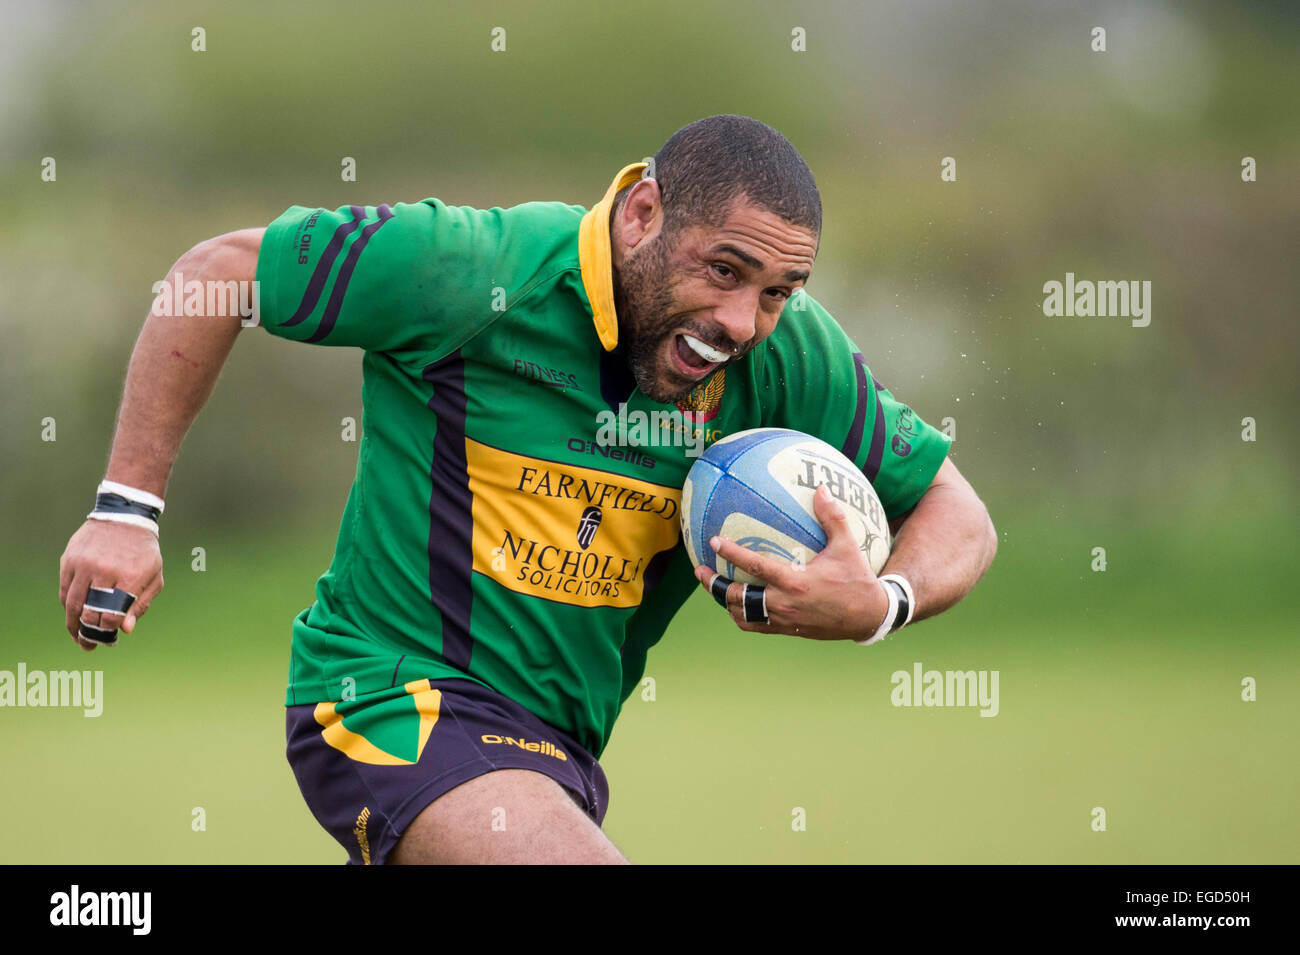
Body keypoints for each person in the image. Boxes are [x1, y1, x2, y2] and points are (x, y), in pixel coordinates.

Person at [58, 114, 997, 864]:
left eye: (779, 290)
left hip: (555, 757)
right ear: (640, 214)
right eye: (723, 271)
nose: (742, 320)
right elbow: (216, 274)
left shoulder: (788, 356)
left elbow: (959, 512)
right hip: (390, 701)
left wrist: (882, 604)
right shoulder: (475, 270)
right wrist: (124, 509)